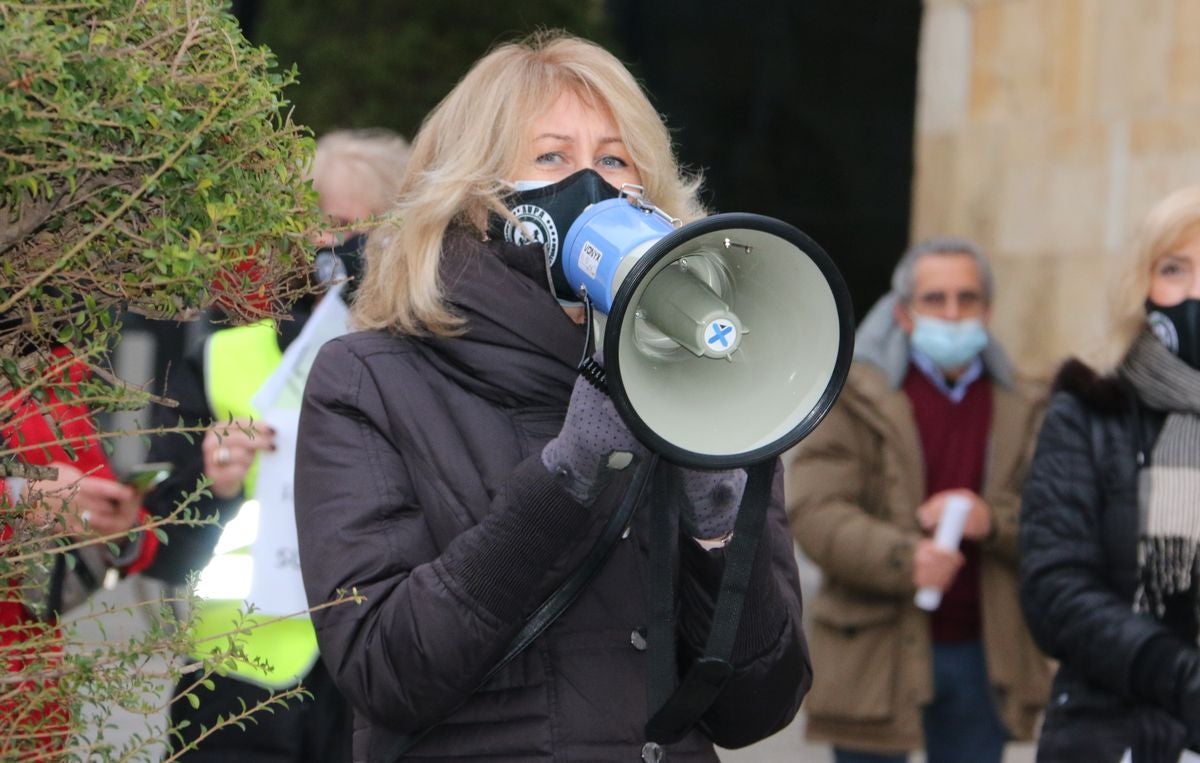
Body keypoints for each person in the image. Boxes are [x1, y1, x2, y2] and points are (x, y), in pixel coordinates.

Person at [294, 31, 810, 762]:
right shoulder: (371, 379)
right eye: (552, 157)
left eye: (614, 158)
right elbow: (385, 670)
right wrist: (566, 475)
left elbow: (761, 703)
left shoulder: (701, 382)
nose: (592, 183)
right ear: (474, 198)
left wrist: (717, 522)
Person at [141, 129, 410, 762]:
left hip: (371, 686)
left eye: (351, 226)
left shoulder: (423, 365)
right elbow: (159, 549)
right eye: (315, 223)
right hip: (234, 687)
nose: (328, 243)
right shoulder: (226, 357)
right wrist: (215, 482)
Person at [787, 237, 1051, 762]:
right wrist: (906, 557)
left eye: (967, 298)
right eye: (935, 299)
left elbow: (1057, 519)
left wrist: (991, 522)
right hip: (875, 652)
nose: (952, 314)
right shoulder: (854, 397)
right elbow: (817, 513)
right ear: (905, 313)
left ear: (988, 310)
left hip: (984, 655)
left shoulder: (1025, 405)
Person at [1020, 186, 1200, 762]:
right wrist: (1177, 673)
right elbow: (1055, 589)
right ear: (1141, 285)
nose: (1196, 292)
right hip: (1110, 733)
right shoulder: (1088, 412)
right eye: (1175, 268)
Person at [1, 345, 159, 756]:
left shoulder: (45, 362)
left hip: (27, 697)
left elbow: (94, 489)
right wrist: (16, 500)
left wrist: (120, 524)